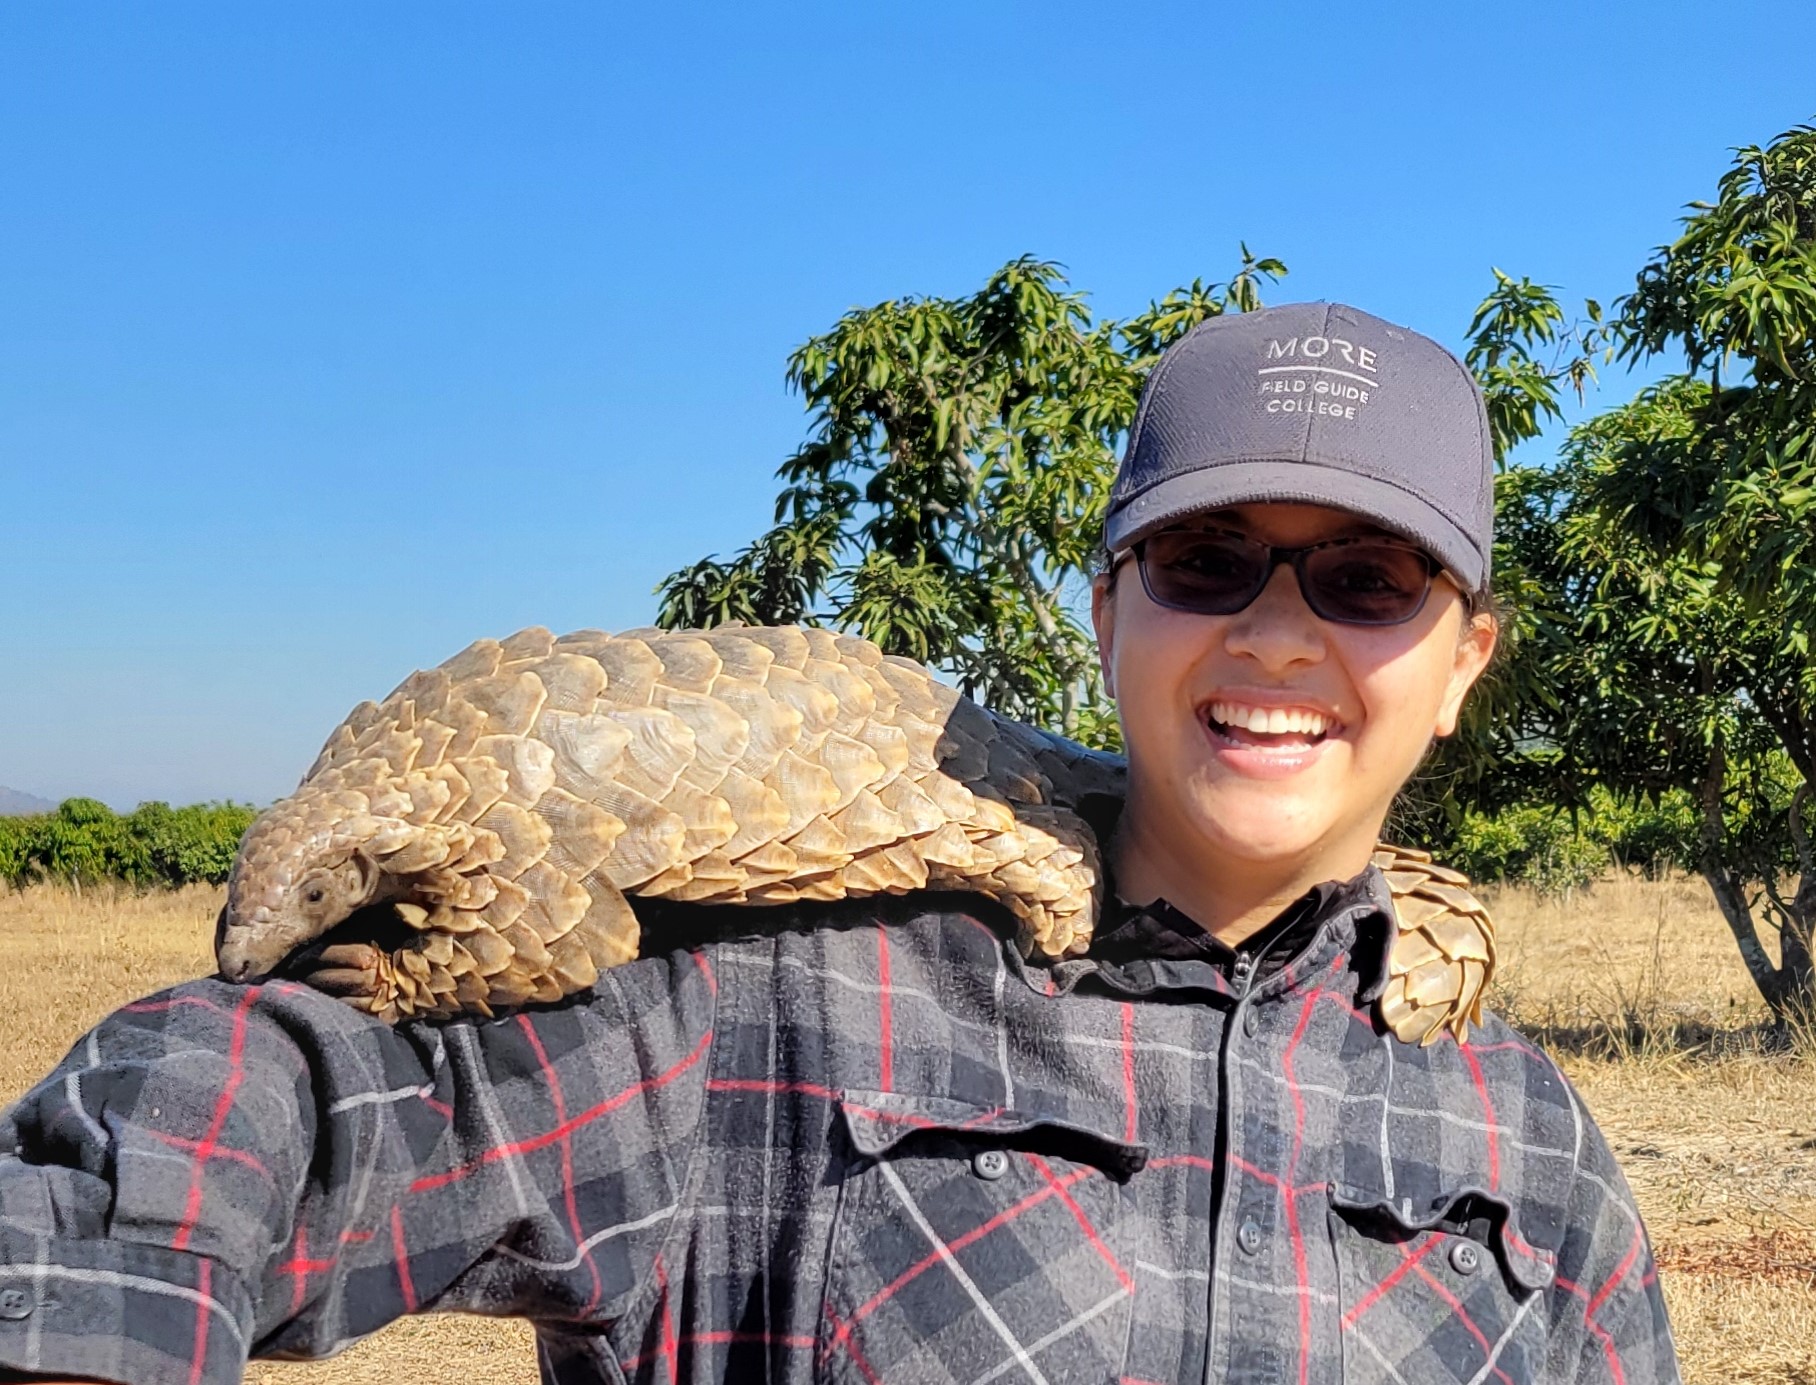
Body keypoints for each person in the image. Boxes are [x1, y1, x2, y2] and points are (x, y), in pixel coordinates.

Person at [0, 303, 1678, 1385]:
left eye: (1368, 580)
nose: (1280, 632)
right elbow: (292, 1094)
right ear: (1107, 612)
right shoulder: (778, 1016)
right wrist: (103, 1294)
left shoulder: (1539, 1164)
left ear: (1465, 661)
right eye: (1208, 561)